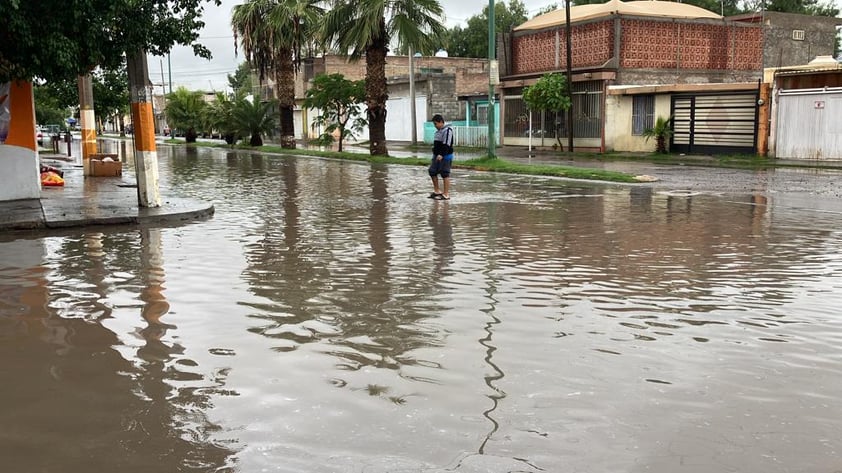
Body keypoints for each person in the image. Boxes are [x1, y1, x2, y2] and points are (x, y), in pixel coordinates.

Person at [428, 114, 454, 200]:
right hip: (436, 156)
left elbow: (447, 144)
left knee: (445, 173)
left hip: (445, 156)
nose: (435, 126)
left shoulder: (447, 130)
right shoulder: (438, 131)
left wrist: (442, 154)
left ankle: (446, 194)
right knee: (432, 171)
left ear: (441, 122)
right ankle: (437, 191)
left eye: (435, 124)